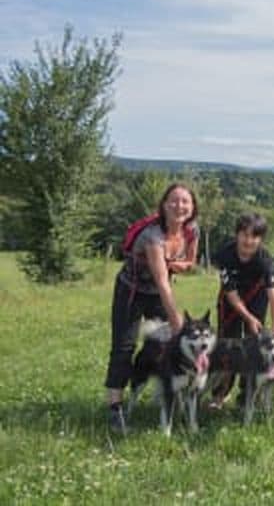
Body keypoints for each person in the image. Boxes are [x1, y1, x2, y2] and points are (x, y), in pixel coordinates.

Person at [104, 183, 199, 433]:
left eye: (185, 201)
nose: (180, 206)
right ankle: (115, 408)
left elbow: (191, 261)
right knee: (124, 347)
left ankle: (168, 395)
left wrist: (181, 265)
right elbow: (163, 284)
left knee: (166, 346)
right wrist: (177, 321)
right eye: (174, 201)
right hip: (131, 291)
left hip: (157, 291)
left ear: (193, 207)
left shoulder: (192, 230)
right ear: (164, 205)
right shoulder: (153, 236)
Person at [210, 213, 274, 408]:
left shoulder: (266, 261)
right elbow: (232, 294)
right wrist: (248, 317)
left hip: (257, 298)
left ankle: (247, 394)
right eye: (244, 234)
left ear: (260, 240)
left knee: (256, 346)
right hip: (230, 301)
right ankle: (219, 395)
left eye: (254, 236)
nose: (248, 240)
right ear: (237, 235)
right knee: (227, 348)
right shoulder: (225, 255)